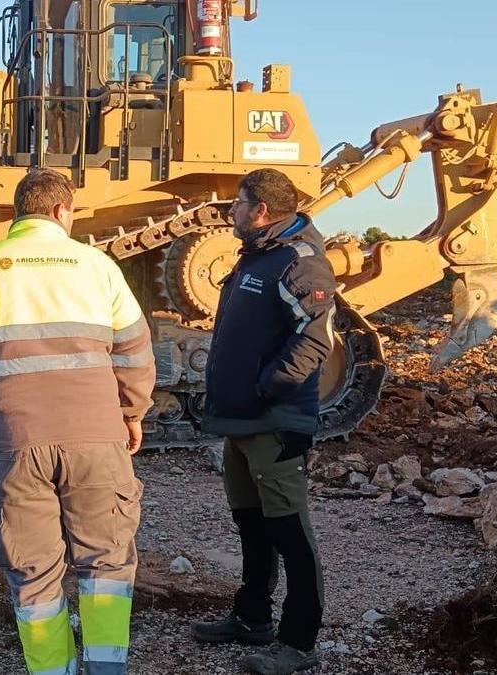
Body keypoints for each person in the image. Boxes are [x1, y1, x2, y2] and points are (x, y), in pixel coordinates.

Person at [0, 168, 157, 675]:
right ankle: (106, 668)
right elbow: (136, 351)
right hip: (97, 439)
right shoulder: (98, 266)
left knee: (33, 573)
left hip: (13, 443)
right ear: (61, 211)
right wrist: (132, 413)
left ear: (17, 213)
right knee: (107, 564)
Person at [192, 168, 336, 675]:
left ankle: (299, 643)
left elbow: (317, 340)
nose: (230, 211)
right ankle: (252, 618)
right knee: (251, 525)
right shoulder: (260, 255)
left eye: (237, 203)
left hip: (273, 421)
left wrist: (266, 386)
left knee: (290, 533)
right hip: (242, 421)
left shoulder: (300, 262)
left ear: (262, 212)